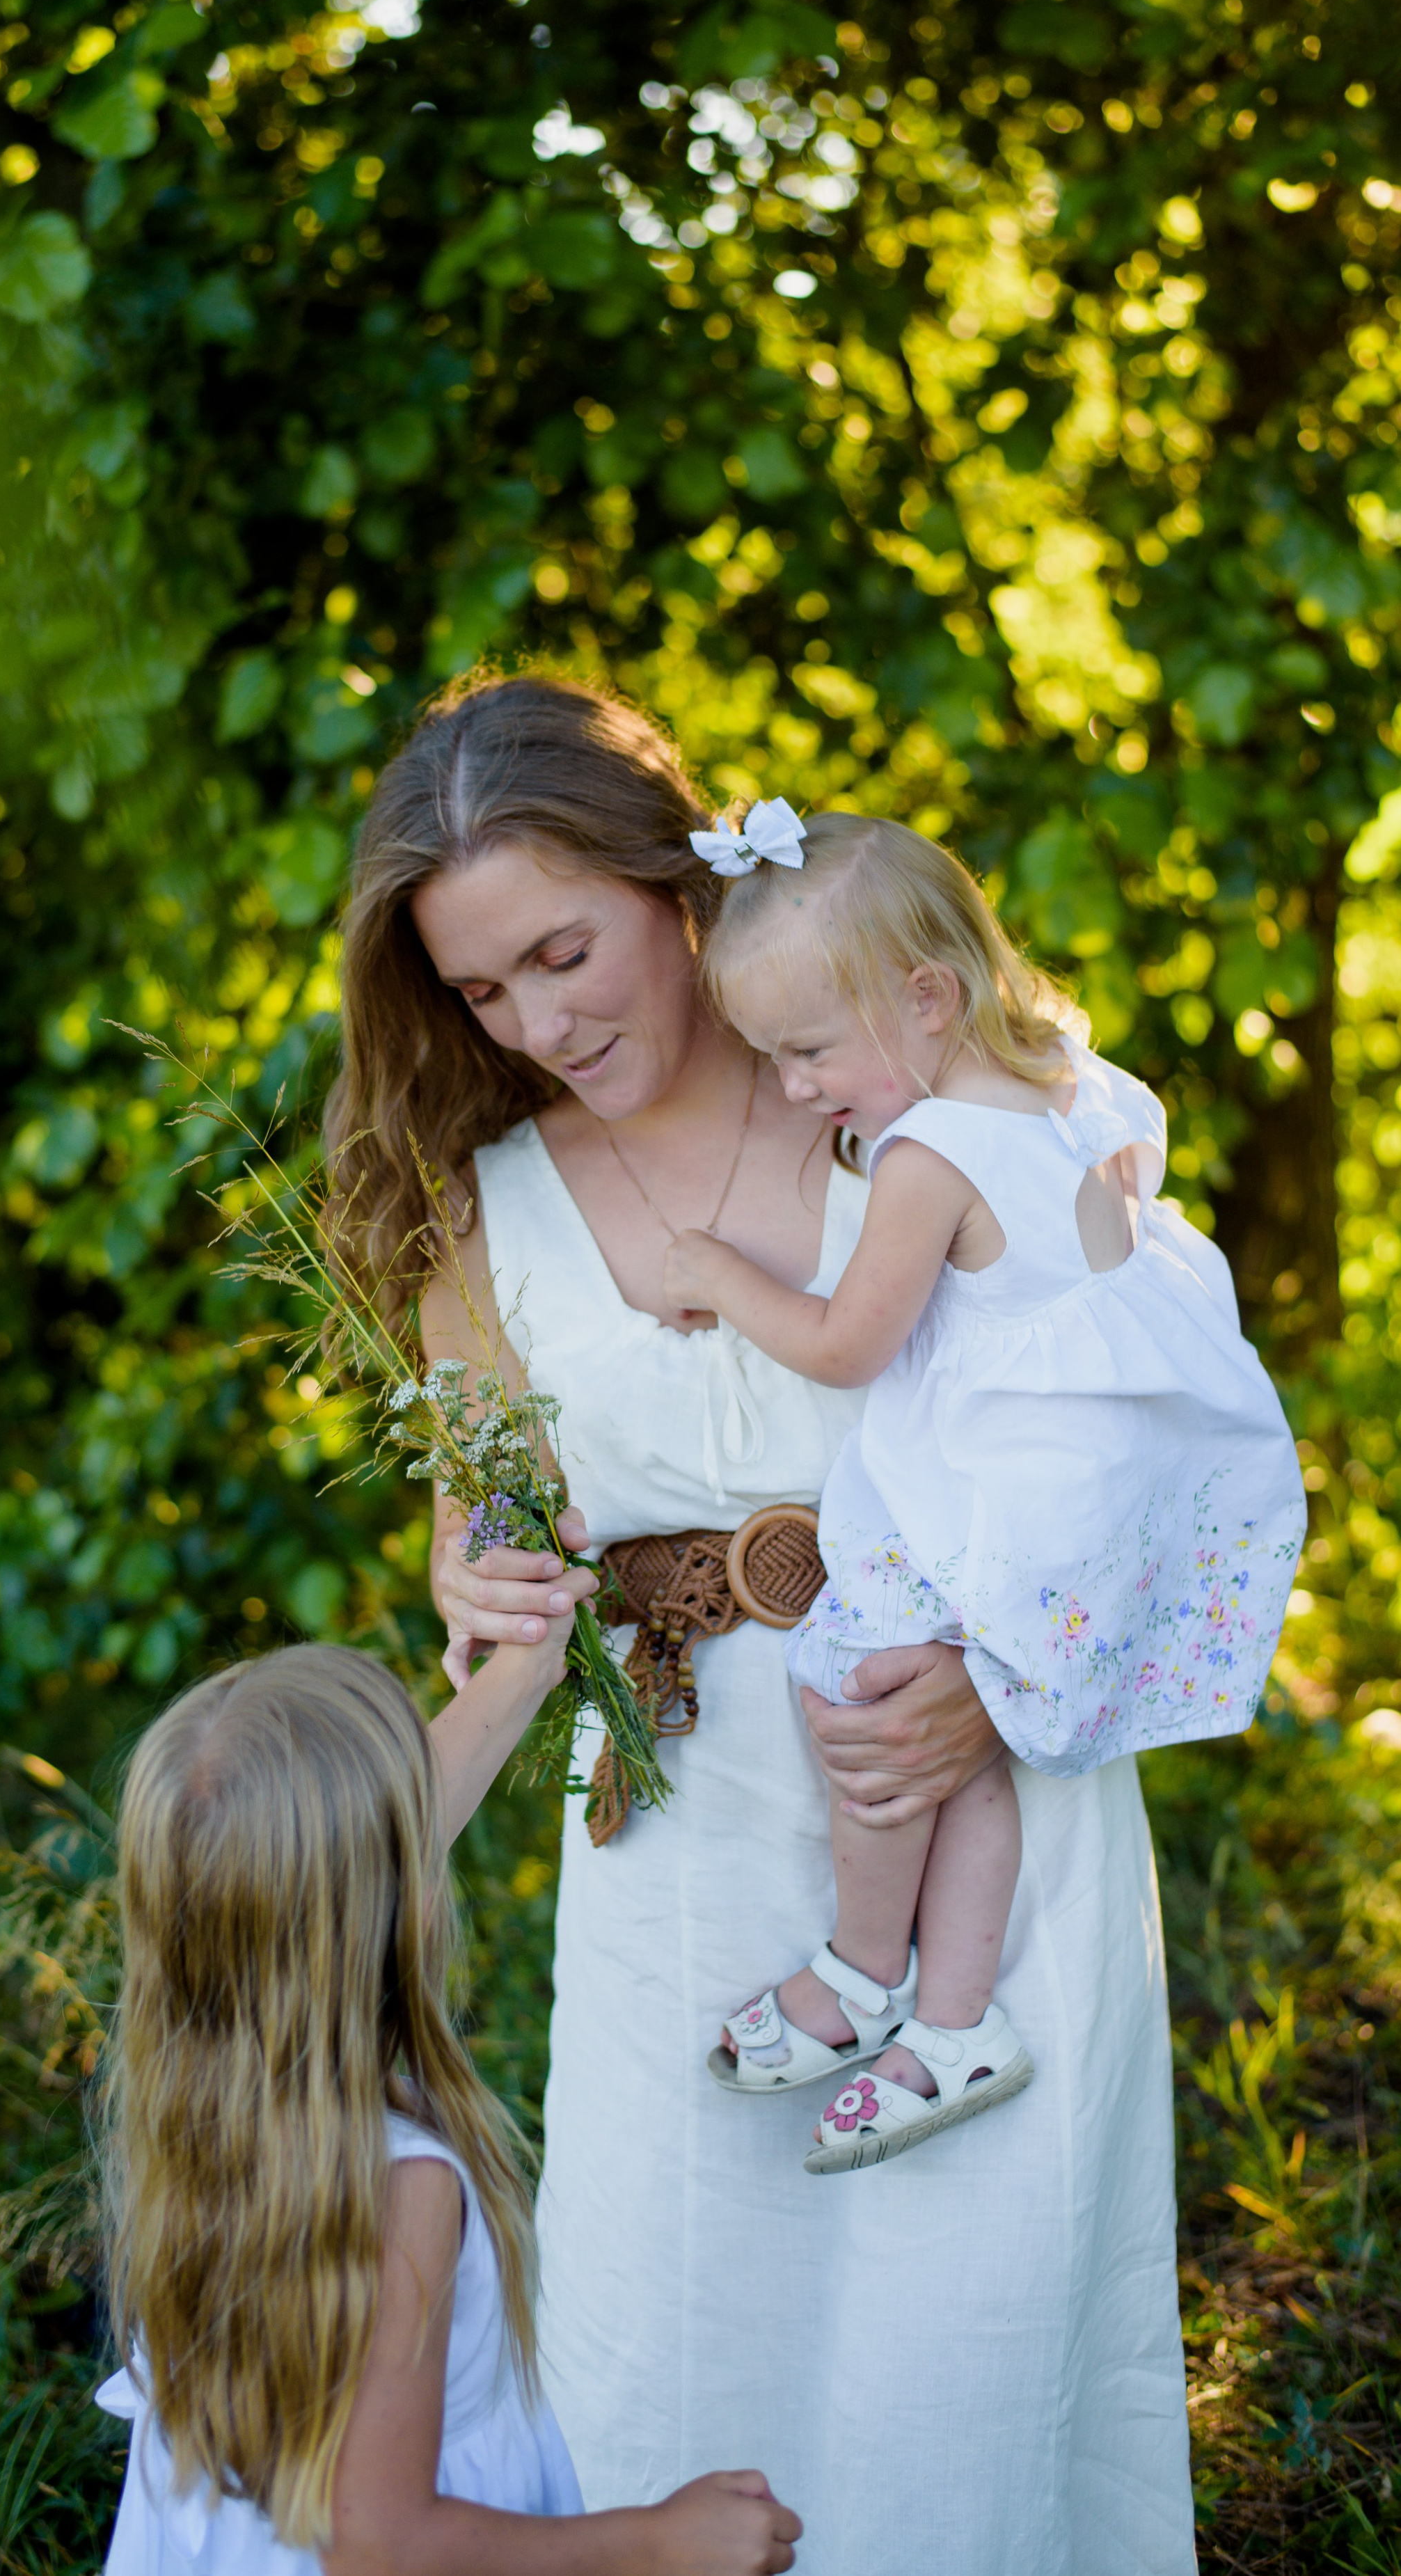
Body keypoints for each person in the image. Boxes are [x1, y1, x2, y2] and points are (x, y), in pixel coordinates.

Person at [326, 670, 1201, 2575]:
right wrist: (473, 1568)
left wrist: (995, 1686)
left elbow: (1141, 1431)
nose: (541, 1021)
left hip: (979, 1783)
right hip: (684, 1835)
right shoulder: (479, 1209)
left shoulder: (928, 1119)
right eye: (483, 991)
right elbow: (482, 1511)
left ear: (678, 884)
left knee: (972, 2345)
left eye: (566, 950)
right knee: (684, 2318)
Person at [665, 804, 1304, 2171]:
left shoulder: (928, 1157)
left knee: (854, 1688)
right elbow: (1126, 1219)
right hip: (1092, 1503)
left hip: (998, 1506)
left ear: (926, 996)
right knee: (952, 1743)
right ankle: (950, 2021)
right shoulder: (1076, 1080)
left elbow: (847, 1346)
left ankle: (854, 1972)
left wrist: (719, 1274)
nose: (789, 1088)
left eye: (807, 1051)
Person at [94, 1625, 804, 2576]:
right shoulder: (401, 2189)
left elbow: (355, 1854)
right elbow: (381, 2547)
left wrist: (528, 1664)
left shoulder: (196, 2096)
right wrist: (656, 2542)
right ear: (401, 1900)